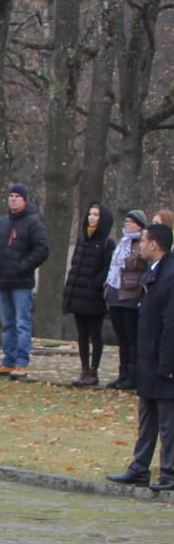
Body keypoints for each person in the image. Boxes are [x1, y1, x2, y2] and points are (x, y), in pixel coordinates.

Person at [108, 223, 174, 491]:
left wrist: (168, 362)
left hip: (163, 360)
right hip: (148, 358)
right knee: (147, 417)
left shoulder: (170, 274)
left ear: (154, 244)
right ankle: (139, 468)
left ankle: (169, 472)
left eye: (144, 241)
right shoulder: (153, 271)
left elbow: (171, 322)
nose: (141, 245)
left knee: (168, 422)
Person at [0, 182, 50, 380]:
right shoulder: (2, 222)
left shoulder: (33, 223)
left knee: (22, 323)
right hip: (2, 280)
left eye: (17, 196)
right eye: (11, 196)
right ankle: (8, 360)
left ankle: (22, 362)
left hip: (21, 282)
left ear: (24, 200)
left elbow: (42, 250)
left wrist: (21, 267)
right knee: (7, 323)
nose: (13, 199)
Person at [62, 202, 114, 387]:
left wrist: (94, 284)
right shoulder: (82, 238)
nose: (92, 217)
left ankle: (94, 370)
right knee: (82, 334)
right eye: (90, 214)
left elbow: (108, 269)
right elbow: (75, 265)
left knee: (95, 333)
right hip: (79, 295)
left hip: (94, 296)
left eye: (96, 215)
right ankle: (84, 368)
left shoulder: (107, 243)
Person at [106, 210, 149, 390]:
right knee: (122, 337)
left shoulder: (142, 244)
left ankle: (133, 375)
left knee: (131, 337)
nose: (127, 224)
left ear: (139, 225)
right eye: (126, 221)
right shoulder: (122, 242)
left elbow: (141, 267)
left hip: (132, 296)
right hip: (116, 294)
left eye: (131, 221)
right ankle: (122, 374)